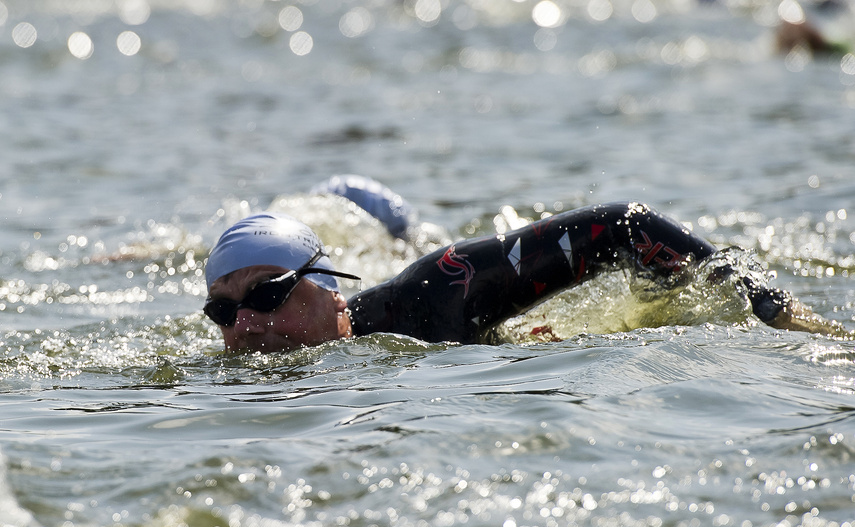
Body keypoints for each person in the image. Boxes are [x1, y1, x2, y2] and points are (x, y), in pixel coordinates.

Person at [203, 176, 845, 353]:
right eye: (222, 311)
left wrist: (783, 316)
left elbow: (623, 226)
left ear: (328, 287)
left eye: (266, 297)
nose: (245, 328)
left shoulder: (436, 297)